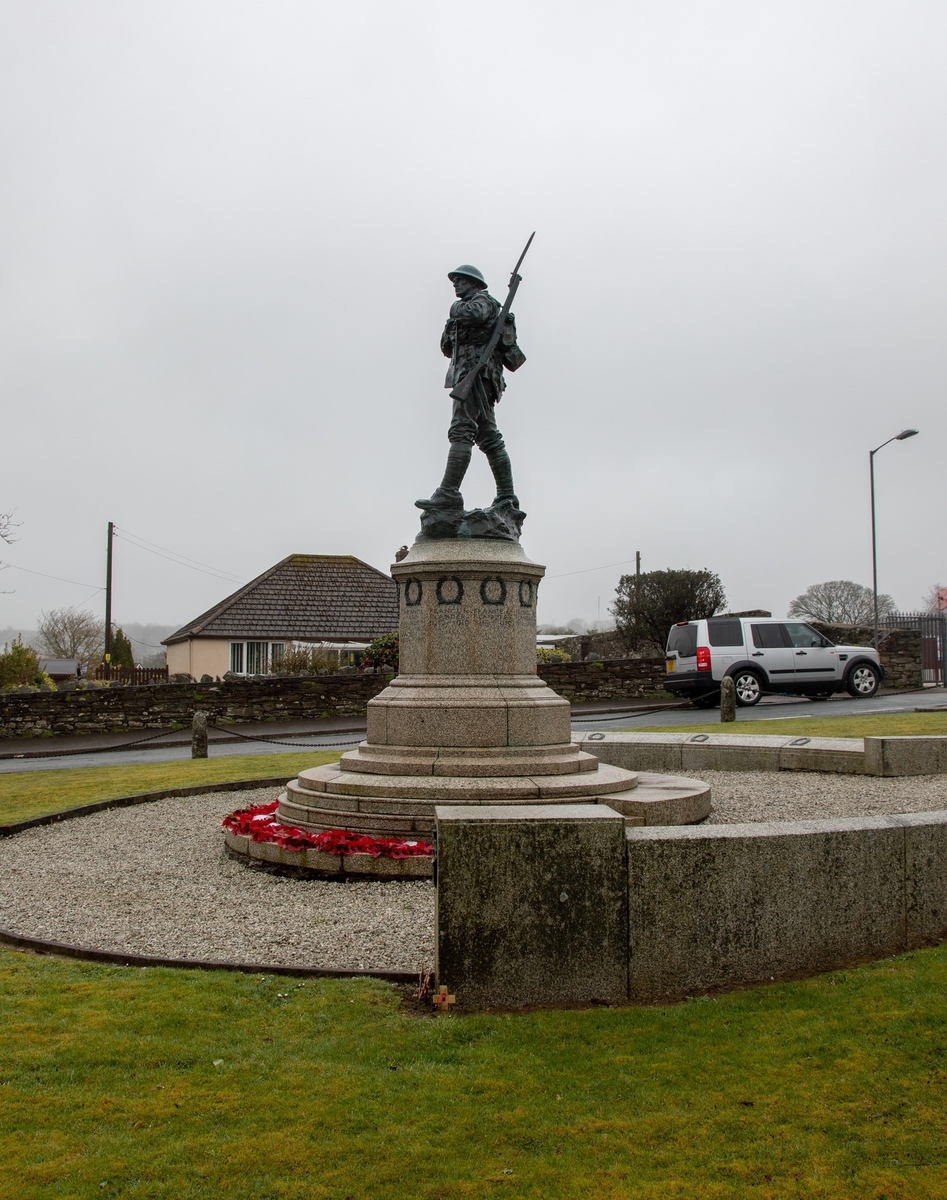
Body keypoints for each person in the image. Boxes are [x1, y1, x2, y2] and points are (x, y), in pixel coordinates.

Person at [416, 264, 520, 513]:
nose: (456, 284)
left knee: (462, 431)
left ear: (473, 283)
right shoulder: (464, 309)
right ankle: (507, 495)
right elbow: (446, 347)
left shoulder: (482, 301)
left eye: (460, 281)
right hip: (468, 375)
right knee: (488, 437)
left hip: (478, 375)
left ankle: (449, 493)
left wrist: (454, 311)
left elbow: (474, 314)